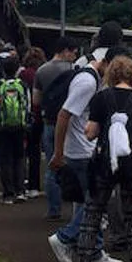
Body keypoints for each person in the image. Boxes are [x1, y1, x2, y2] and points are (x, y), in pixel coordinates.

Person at [58, 55, 132, 262]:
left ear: (111, 75)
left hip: (103, 163)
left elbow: (90, 133)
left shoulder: (101, 99)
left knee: (92, 214)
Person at [48, 23, 126, 262]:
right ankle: (64, 237)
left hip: (85, 148)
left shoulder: (87, 75)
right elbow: (64, 115)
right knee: (94, 204)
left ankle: (94, 250)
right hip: (81, 151)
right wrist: (58, 153)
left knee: (90, 202)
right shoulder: (87, 82)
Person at [34, 37, 80, 220]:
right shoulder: (74, 71)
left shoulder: (42, 70)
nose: (75, 55)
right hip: (70, 124)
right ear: (65, 51)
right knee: (75, 165)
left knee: (52, 165)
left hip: (49, 122)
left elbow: (35, 100)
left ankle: (54, 209)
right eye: (74, 52)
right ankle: (76, 209)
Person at [0, 54, 29, 204]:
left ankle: (8, 193)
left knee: (5, 159)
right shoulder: (23, 85)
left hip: (2, 127)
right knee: (19, 157)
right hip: (19, 126)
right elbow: (28, 104)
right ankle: (20, 191)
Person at [20, 46, 47, 198]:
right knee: (36, 150)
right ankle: (34, 185)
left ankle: (22, 182)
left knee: (23, 151)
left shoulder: (23, 74)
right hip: (40, 115)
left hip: (24, 115)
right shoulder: (42, 73)